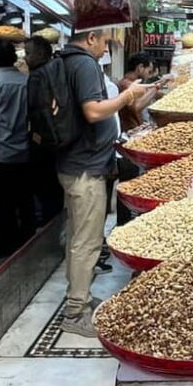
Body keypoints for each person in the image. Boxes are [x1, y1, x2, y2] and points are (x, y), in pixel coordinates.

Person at [57, 29, 149, 337]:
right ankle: (75, 313)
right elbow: (94, 111)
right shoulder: (83, 64)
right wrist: (127, 96)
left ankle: (80, 298)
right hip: (85, 168)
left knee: (78, 238)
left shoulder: (68, 60)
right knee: (87, 242)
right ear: (92, 37)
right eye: (105, 43)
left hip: (76, 163)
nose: (105, 49)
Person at [0, 40, 35, 255]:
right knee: (25, 199)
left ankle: (7, 244)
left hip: (1, 152)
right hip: (25, 151)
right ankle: (29, 241)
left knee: (4, 203)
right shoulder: (26, 82)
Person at [24, 36, 64, 226]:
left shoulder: (38, 75)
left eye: (28, 53)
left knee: (46, 190)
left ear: (40, 54)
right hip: (53, 143)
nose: (25, 58)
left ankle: (47, 231)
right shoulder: (55, 70)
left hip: (44, 143)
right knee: (53, 192)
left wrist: (46, 140)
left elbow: (41, 111)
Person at [117, 52, 159, 132]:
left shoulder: (131, 84)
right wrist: (156, 88)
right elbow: (136, 107)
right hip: (129, 130)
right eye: (149, 71)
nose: (148, 75)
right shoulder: (126, 84)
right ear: (140, 68)